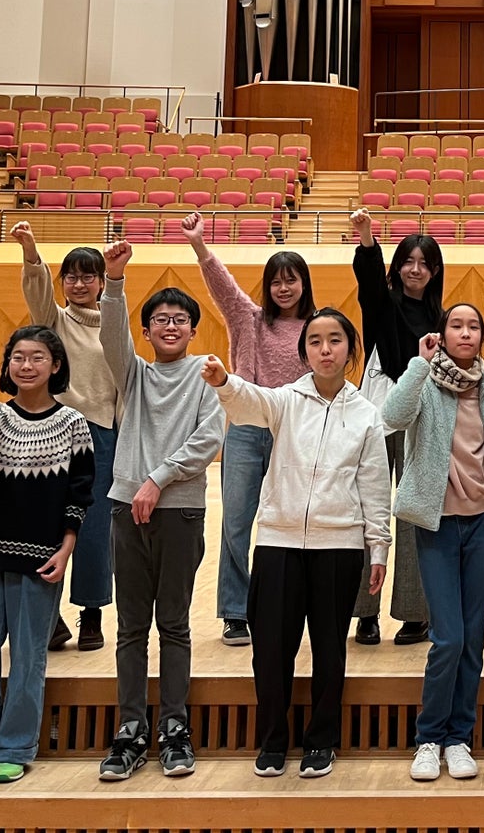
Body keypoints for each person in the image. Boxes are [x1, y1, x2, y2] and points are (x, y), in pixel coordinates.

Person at [205, 308, 390, 780]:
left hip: (340, 546)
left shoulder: (367, 415)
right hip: (279, 542)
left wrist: (379, 549)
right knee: (271, 650)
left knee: (330, 650)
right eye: (315, 341)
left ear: (350, 349)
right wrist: (225, 381)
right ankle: (271, 741)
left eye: (334, 340)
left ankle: (321, 742)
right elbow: (249, 402)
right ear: (304, 351)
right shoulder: (287, 399)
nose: (325, 349)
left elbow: (374, 486)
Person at [97, 242, 228, 783]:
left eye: (179, 320)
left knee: (172, 624)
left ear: (193, 330)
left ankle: (174, 728)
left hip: (179, 512)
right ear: (146, 331)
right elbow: (110, 337)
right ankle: (130, 731)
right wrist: (113, 280)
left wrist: (157, 477)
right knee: (130, 627)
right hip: (126, 511)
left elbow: (208, 438)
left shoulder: (207, 372)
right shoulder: (135, 374)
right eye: (159, 321)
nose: (169, 326)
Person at [382, 305, 484, 783]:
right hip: (437, 525)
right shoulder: (425, 386)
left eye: (474, 325)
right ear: (442, 335)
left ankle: (459, 737)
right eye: (457, 325)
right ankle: (429, 736)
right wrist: (418, 365)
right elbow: (392, 414)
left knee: (473, 638)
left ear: (483, 337)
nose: (466, 332)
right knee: (447, 637)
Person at [0, 327, 94, 784]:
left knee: (29, 657)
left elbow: (79, 497)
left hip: (40, 559)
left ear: (55, 366)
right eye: (18, 357)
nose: (26, 366)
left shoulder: (74, 424)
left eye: (37, 358)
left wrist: (66, 549)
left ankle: (14, 746)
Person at [180, 211, 315, 648]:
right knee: (236, 522)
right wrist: (200, 245)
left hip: (290, 434)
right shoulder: (249, 319)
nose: (283, 287)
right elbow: (223, 287)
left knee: (289, 523)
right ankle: (236, 612)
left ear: (303, 284)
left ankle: (283, 605)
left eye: (291, 279)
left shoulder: (315, 329)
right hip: (243, 431)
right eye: (276, 280)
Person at [8, 222, 115, 653]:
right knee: (45, 520)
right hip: (54, 428)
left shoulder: (114, 323)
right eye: (71, 275)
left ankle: (91, 614)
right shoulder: (54, 322)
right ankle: (47, 616)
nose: (79, 283)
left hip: (103, 433)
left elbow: (124, 381)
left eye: (89, 275)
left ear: (102, 282)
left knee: (93, 528)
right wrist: (31, 251)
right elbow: (36, 291)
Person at [349, 207, 438, 644]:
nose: (415, 269)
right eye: (407, 261)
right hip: (378, 410)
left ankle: (414, 611)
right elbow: (368, 280)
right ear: (396, 266)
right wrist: (367, 237)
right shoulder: (382, 304)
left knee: (413, 513)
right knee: (369, 509)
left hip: (422, 416)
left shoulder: (440, 317)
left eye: (424, 263)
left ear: (434, 270)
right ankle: (365, 612)